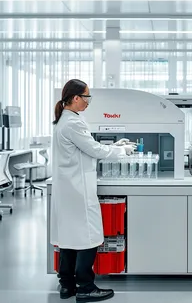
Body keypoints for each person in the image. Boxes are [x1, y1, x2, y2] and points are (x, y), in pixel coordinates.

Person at [50, 79, 135, 302]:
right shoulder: (73, 123)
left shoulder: (65, 121)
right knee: (89, 238)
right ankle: (86, 287)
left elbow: (85, 148)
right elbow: (94, 150)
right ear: (76, 98)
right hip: (78, 190)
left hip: (68, 189)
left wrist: (114, 146)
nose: (89, 102)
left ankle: (67, 286)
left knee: (69, 240)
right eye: (86, 97)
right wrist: (122, 151)